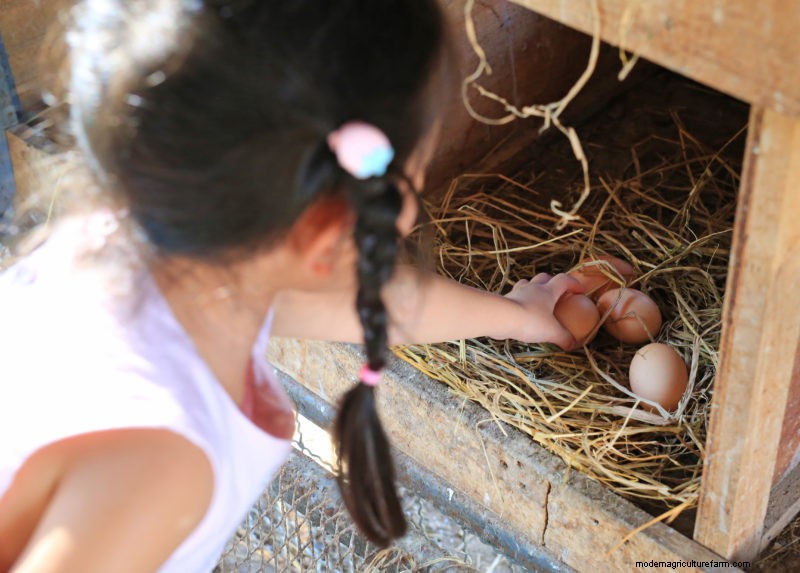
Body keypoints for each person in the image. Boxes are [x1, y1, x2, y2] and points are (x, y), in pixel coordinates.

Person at [0, 0, 583, 571]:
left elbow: (375, 303)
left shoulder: (168, 253)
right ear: (323, 235)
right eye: (409, 178)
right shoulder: (159, 460)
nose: (407, 216)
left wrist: (518, 315)